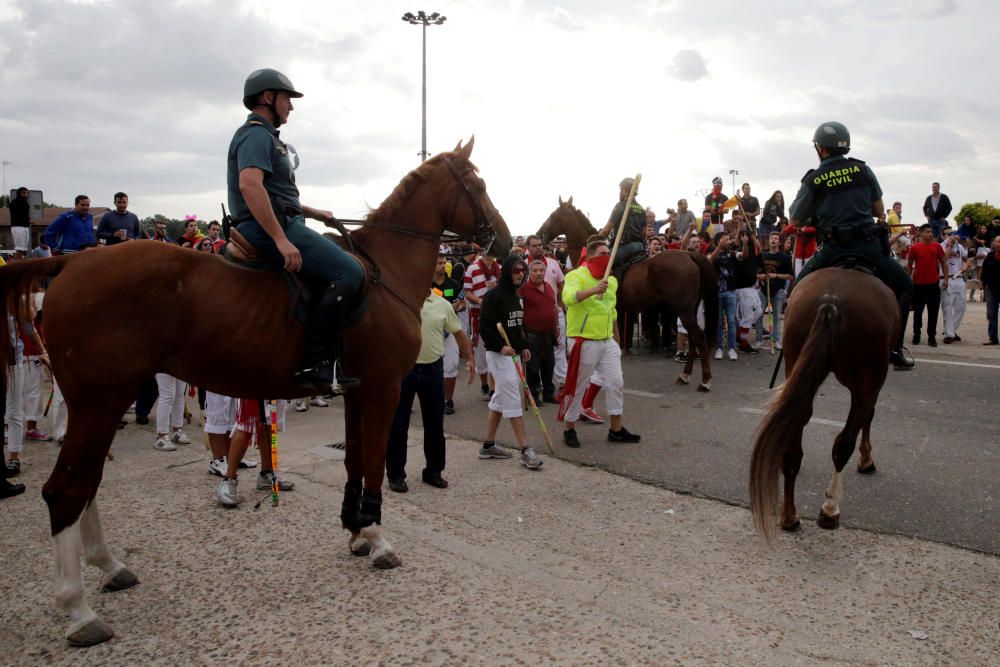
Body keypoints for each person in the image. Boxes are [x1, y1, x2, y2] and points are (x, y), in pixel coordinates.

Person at [228, 68, 364, 389]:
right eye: (287, 99)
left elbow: (277, 196)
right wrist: (280, 240)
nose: (291, 106)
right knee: (352, 273)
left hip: (286, 222)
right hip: (272, 229)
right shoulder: (256, 135)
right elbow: (250, 186)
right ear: (268, 97)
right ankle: (315, 364)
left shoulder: (268, 138)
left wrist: (317, 213)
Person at [786, 121, 915, 369]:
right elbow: (878, 210)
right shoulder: (863, 171)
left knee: (798, 290)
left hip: (833, 249)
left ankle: (793, 344)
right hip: (867, 246)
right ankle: (895, 349)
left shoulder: (814, 179)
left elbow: (795, 219)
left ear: (820, 148)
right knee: (905, 286)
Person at [386, 288, 475, 492]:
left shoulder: (442, 304)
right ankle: (396, 474)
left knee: (435, 424)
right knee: (398, 425)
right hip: (404, 369)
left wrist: (470, 358)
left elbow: (459, 333)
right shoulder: (399, 300)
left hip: (433, 369)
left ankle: (433, 471)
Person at [558, 237, 640, 448]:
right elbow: (568, 299)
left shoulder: (611, 280)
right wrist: (594, 290)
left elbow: (611, 311)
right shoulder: (576, 275)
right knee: (578, 386)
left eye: (610, 254)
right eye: (604, 254)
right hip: (583, 340)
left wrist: (617, 338)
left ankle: (616, 429)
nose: (608, 258)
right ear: (591, 255)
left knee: (616, 383)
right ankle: (569, 428)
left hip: (607, 341)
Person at [477, 255, 544, 470]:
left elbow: (515, 325)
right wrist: (499, 346)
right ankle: (525, 450)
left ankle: (488, 445)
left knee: (500, 398)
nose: (520, 274)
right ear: (506, 271)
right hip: (498, 356)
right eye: (516, 270)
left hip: (513, 354)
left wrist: (523, 346)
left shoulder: (515, 296)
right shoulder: (493, 296)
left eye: (522, 270)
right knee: (513, 397)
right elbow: (485, 327)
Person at [520, 258, 559, 404]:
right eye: (535, 271)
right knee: (532, 368)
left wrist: (556, 326)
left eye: (541, 270)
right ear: (529, 272)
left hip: (548, 334)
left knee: (549, 366)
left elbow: (553, 307)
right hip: (531, 335)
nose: (538, 273)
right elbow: (520, 312)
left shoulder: (548, 286)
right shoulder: (523, 289)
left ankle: (549, 394)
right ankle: (533, 396)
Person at [463, 250, 501, 399]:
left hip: (496, 315)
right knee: (480, 351)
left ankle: (493, 388)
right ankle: (484, 385)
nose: (490, 254)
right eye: (488, 250)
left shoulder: (500, 269)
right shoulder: (472, 268)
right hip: (478, 314)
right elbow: (467, 292)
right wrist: (480, 302)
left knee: (494, 348)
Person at [431, 250, 465, 414]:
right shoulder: (423, 284)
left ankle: (448, 400)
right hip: (429, 331)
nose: (443, 266)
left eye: (444, 263)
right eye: (439, 263)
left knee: (450, 366)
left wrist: (460, 305)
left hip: (449, 331)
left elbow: (463, 300)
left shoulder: (453, 284)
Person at [907, 224, 948, 347]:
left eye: (931, 232)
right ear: (921, 233)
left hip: (933, 285)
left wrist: (946, 278)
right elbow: (910, 264)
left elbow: (943, 262)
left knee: (933, 312)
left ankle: (931, 337)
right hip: (918, 285)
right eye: (927, 232)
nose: (930, 234)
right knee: (918, 312)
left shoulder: (937, 247)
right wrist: (908, 280)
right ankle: (916, 335)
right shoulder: (914, 248)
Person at [756, 232, 794, 350]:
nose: (773, 240)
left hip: (778, 290)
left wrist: (775, 275)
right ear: (769, 240)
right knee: (758, 314)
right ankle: (759, 339)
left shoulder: (785, 258)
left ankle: (777, 341)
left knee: (777, 316)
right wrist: (759, 276)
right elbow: (756, 271)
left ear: (779, 242)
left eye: (776, 238)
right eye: (771, 238)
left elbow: (789, 276)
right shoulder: (762, 255)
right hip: (763, 289)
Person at [599, 177, 647, 270]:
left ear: (625, 191)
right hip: (640, 247)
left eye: (621, 190)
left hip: (625, 247)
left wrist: (594, 241)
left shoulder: (620, 206)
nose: (619, 192)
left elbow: (606, 230)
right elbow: (644, 233)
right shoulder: (642, 209)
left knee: (602, 264)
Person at [710, 232, 739, 361]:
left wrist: (743, 243)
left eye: (728, 239)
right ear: (718, 241)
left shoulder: (732, 253)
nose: (728, 241)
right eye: (725, 239)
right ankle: (719, 348)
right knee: (718, 322)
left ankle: (732, 348)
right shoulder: (712, 252)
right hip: (717, 292)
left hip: (731, 291)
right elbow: (710, 260)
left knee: (732, 321)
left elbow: (743, 255)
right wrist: (719, 247)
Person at [939, 231, 969, 344]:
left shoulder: (959, 246)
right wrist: (950, 244)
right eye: (948, 234)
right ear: (943, 236)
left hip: (959, 278)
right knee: (947, 307)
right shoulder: (941, 246)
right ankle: (949, 334)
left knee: (961, 307)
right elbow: (944, 259)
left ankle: (950, 330)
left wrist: (965, 266)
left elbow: (966, 260)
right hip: (946, 278)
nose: (952, 235)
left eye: (953, 233)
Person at [981, 236, 1000, 345]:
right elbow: (984, 272)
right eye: (996, 242)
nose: (998, 244)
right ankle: (993, 337)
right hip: (991, 289)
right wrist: (984, 286)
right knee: (991, 314)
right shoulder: (989, 257)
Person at [8, 187, 31, 259]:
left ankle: (21, 264)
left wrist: (28, 221)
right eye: (23, 193)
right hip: (18, 227)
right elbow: (17, 215)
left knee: (24, 250)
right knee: (19, 249)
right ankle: (18, 265)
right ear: (19, 193)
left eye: (27, 193)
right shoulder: (15, 202)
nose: (25, 195)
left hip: (25, 227)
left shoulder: (25, 203)